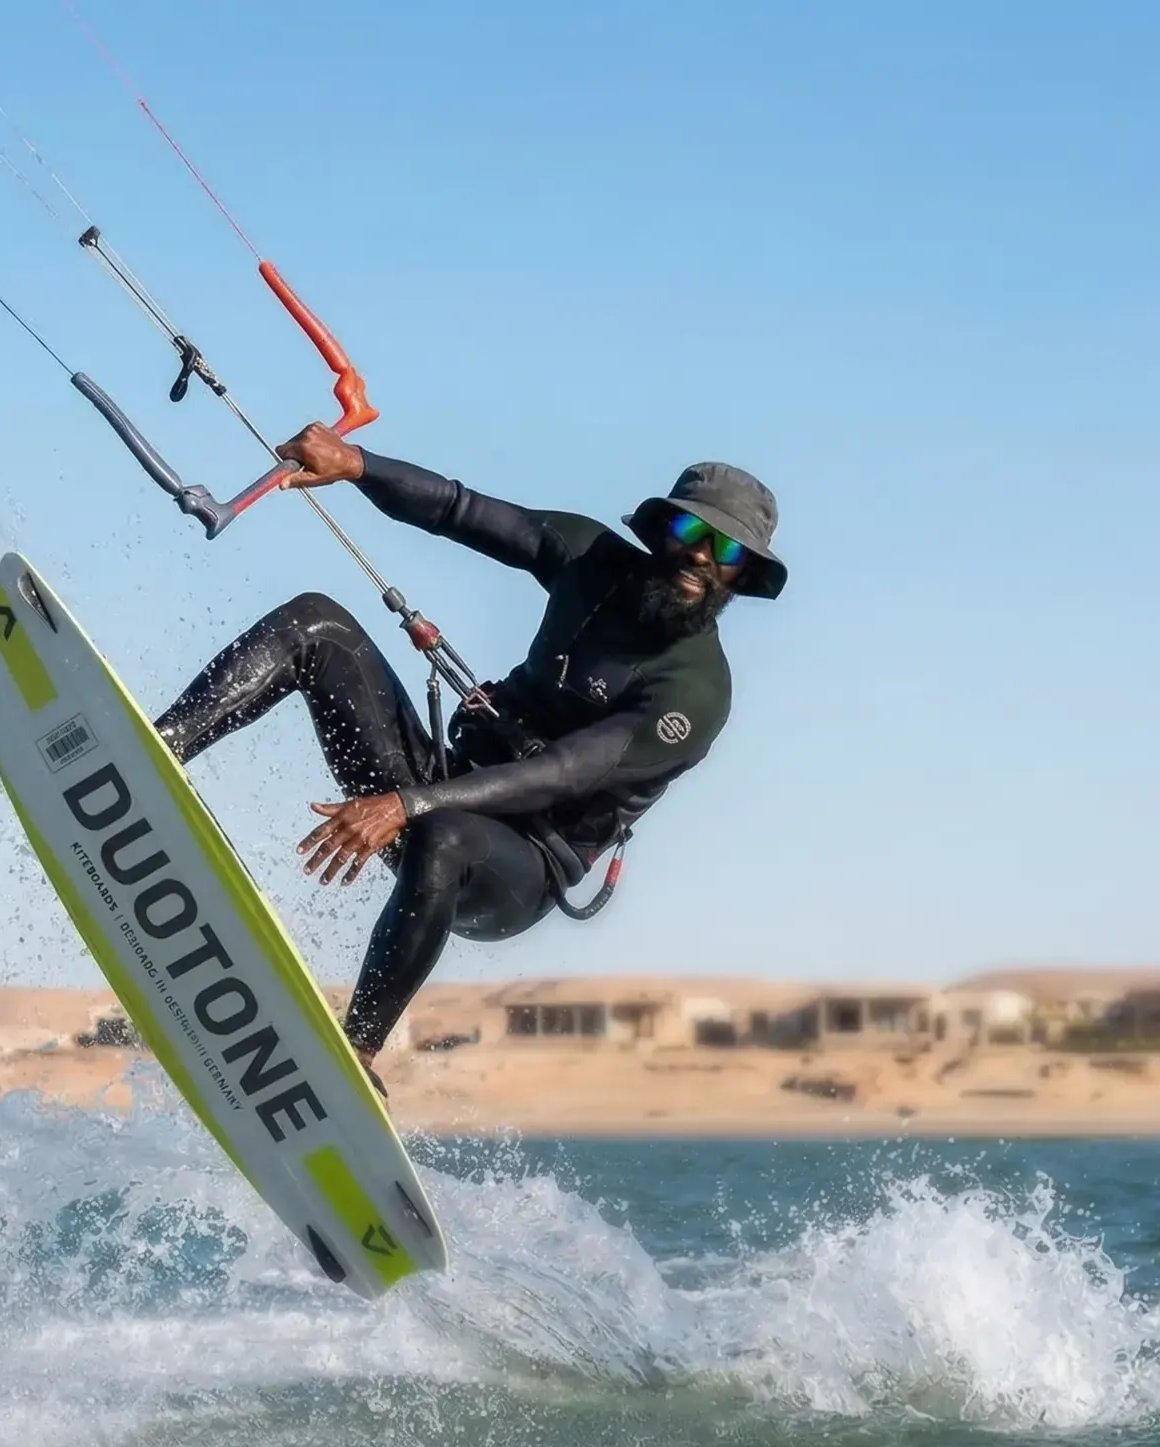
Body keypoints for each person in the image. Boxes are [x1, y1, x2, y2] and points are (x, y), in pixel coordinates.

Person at [151, 422, 787, 1086]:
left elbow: (561, 773)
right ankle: (159, 751)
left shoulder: (696, 693)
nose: (702, 559)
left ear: (744, 575)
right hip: (439, 787)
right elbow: (459, 509)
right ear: (663, 532)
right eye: (692, 536)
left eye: (727, 552)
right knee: (317, 623)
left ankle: (355, 1053)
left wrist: (406, 804)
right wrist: (356, 464)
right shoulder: (590, 560)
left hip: (516, 869)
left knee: (446, 836)